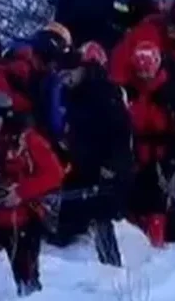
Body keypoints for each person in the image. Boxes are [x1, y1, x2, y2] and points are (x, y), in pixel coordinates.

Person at [0, 92, 64, 296]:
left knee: (26, 277)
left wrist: (21, 191)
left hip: (23, 220)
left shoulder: (29, 141)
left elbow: (55, 173)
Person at [48, 45, 132, 266]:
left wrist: (113, 164)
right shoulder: (70, 93)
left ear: (80, 69)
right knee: (70, 209)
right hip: (82, 162)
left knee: (103, 213)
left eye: (69, 74)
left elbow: (121, 131)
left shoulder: (104, 91)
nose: (65, 80)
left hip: (109, 165)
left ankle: (112, 266)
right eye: (62, 76)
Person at [121, 42, 175, 247]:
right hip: (137, 155)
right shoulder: (129, 93)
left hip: (165, 157)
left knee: (158, 199)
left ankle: (157, 243)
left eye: (147, 73)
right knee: (131, 198)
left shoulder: (171, 94)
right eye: (140, 73)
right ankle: (136, 241)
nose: (144, 77)